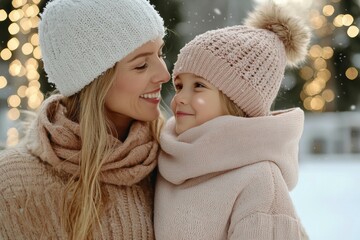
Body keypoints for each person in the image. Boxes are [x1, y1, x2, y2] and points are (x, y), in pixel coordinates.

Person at [0, 0, 170, 239]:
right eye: (141, 65)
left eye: (160, 53)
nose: (165, 74)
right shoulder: (12, 183)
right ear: (94, 80)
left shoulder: (176, 160)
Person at [154, 2, 311, 240]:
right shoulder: (168, 159)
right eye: (179, 86)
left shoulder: (260, 184)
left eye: (199, 86)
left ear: (236, 100)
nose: (180, 98)